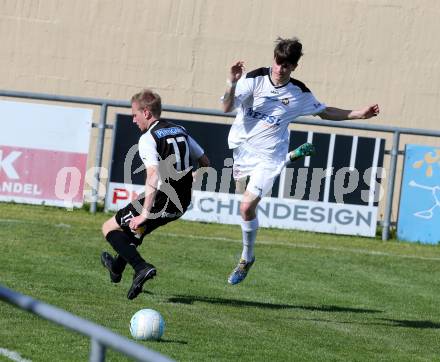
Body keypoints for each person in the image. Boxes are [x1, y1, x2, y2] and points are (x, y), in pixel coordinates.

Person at [222, 36, 380, 285]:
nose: (280, 68)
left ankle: (246, 257)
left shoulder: (299, 93)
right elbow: (226, 107)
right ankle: (292, 156)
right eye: (278, 62)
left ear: (294, 67)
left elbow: (326, 112)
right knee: (241, 199)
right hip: (242, 150)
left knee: (245, 207)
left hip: (269, 156)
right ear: (273, 58)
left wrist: (359, 114)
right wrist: (231, 83)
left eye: (286, 65)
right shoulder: (253, 79)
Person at [101, 89, 210, 299]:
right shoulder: (180, 130)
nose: (133, 120)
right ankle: (116, 268)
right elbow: (205, 162)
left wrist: (144, 213)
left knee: (109, 227)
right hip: (181, 203)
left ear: (147, 112)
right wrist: (193, 176)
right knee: (135, 232)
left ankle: (141, 267)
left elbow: (152, 175)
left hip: (162, 197)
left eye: (135, 114)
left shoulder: (148, 138)